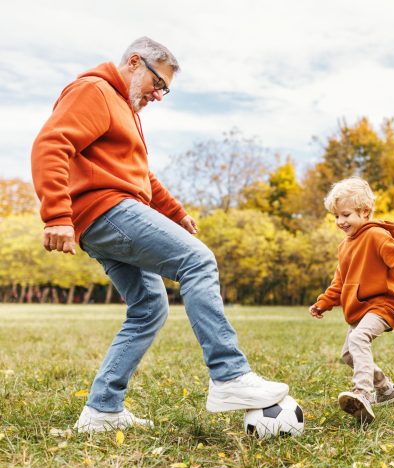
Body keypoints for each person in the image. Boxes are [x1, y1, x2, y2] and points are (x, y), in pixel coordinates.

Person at [31, 36, 288, 433]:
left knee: (150, 307)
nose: (159, 95)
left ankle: (102, 410)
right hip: (106, 210)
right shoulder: (95, 90)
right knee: (198, 260)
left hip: (108, 214)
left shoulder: (124, 109)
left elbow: (140, 175)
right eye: (159, 84)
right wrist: (56, 216)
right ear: (135, 62)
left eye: (165, 89)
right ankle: (229, 376)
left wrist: (175, 213)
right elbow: (51, 144)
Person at [309, 177, 394, 424]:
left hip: (382, 305)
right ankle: (386, 390)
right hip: (358, 309)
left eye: (346, 215)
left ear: (365, 212)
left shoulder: (376, 235)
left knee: (358, 338)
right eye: (336, 216)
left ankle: (363, 392)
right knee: (349, 354)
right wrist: (323, 302)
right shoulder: (344, 246)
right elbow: (339, 282)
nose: (340, 222)